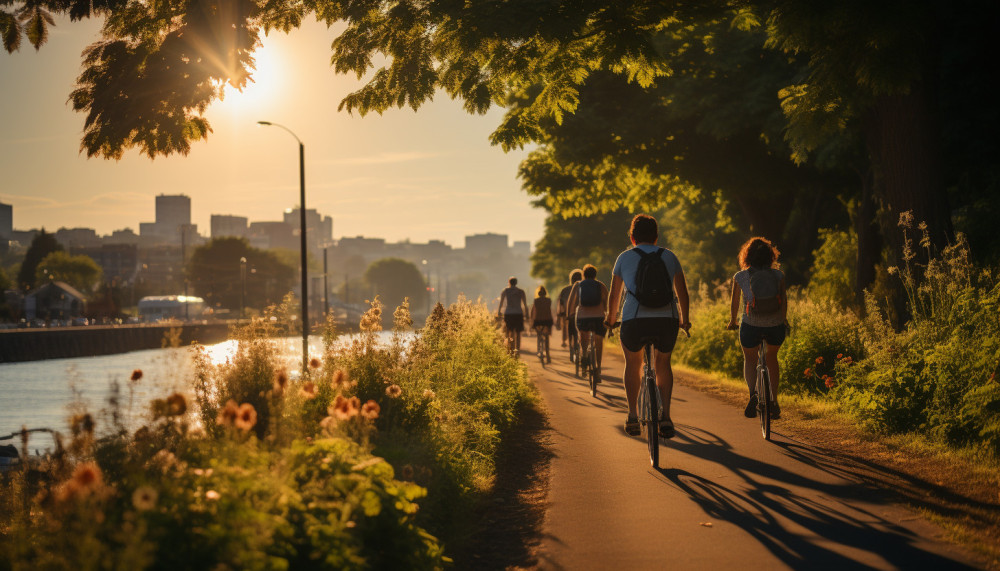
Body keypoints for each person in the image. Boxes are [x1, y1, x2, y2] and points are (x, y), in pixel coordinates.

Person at [606, 214, 690, 438]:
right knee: (663, 363)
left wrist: (611, 321)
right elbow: (682, 292)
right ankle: (666, 417)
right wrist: (685, 320)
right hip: (666, 319)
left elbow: (614, 296)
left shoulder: (624, 257)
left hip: (634, 320)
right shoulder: (670, 256)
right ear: (656, 237)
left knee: (632, 363)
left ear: (632, 238)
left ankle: (633, 416)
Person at [725, 237, 787, 419]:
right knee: (772, 357)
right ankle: (773, 401)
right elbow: (784, 302)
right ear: (770, 256)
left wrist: (732, 321)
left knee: (750, 358)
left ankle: (753, 394)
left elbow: (735, 303)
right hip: (775, 326)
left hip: (751, 326)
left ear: (747, 256)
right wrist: (782, 320)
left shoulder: (740, 276)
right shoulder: (778, 276)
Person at [566, 264, 609, 373]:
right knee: (598, 340)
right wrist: (606, 312)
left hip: (583, 317)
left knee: (583, 335)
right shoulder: (600, 285)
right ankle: (598, 367)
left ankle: (584, 354)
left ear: (583, 275)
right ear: (595, 275)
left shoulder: (578, 285)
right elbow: (607, 301)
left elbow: (571, 301)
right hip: (599, 317)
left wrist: (568, 314)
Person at [496, 276, 529, 356]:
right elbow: (525, 304)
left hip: (509, 313)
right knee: (518, 333)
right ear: (516, 283)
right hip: (518, 313)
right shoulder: (521, 291)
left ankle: (509, 350)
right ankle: (517, 351)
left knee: (508, 332)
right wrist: (527, 314)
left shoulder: (505, 291)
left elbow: (501, 303)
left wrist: (499, 312)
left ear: (509, 282)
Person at [557, 269, 582, 348]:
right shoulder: (584, 288)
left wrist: (560, 315)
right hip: (581, 312)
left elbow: (561, 303)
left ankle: (564, 340)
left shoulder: (565, 290)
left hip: (568, 312)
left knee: (565, 325)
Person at [530, 286, 555, 363]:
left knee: (539, 335)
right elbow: (549, 310)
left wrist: (531, 321)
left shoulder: (536, 300)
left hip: (538, 320)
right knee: (546, 337)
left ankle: (539, 351)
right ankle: (548, 355)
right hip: (547, 320)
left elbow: (533, 311)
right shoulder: (549, 300)